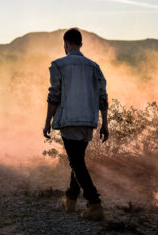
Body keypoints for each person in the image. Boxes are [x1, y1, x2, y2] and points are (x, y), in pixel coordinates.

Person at [43, 27, 109, 220]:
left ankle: (94, 203)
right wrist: (105, 124)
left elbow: (54, 95)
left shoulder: (58, 65)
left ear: (65, 43)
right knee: (78, 160)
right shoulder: (94, 66)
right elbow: (103, 97)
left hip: (69, 120)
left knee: (76, 163)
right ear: (80, 44)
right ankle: (70, 199)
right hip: (89, 121)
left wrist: (47, 121)